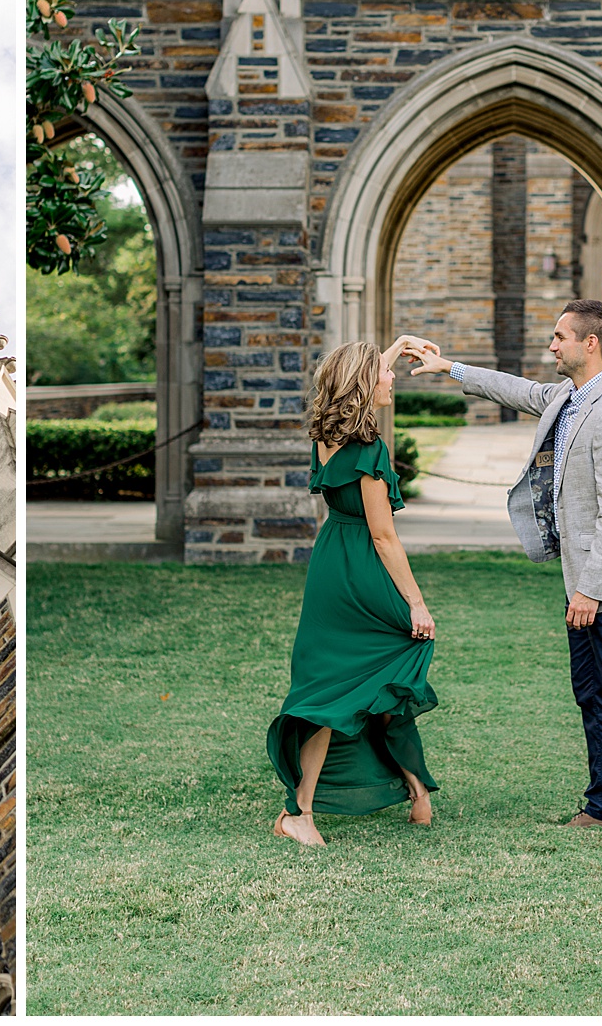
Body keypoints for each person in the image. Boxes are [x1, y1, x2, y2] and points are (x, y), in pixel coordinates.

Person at [400, 302, 602, 848]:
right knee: (593, 695)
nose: (552, 345)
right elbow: (517, 390)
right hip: (581, 584)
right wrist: (449, 367)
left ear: (590, 343)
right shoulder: (568, 398)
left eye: (559, 336)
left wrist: (590, 590)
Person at [268, 339, 439, 848]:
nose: (393, 377)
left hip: (330, 568)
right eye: (386, 373)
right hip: (363, 569)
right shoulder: (369, 451)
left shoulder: (328, 435)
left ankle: (414, 789)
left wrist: (396, 347)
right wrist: (416, 602)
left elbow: (355, 375)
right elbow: (384, 537)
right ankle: (300, 813)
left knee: (346, 683)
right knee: (384, 668)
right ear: (364, 386)